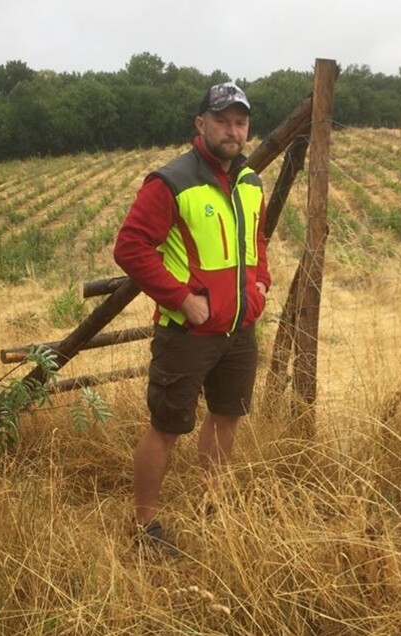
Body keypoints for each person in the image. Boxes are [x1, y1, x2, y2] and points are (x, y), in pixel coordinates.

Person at [113, 81, 270, 551]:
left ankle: (213, 506)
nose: (232, 130)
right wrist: (181, 299)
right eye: (221, 120)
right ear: (201, 124)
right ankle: (145, 528)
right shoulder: (172, 181)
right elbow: (131, 248)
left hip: (239, 327)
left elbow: (257, 241)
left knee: (227, 417)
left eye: (240, 122)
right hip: (187, 332)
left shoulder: (250, 182)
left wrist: (261, 282)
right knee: (166, 426)